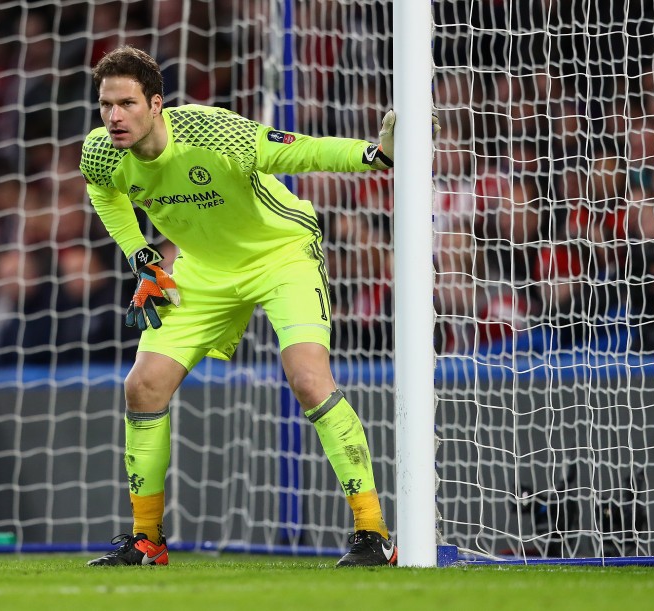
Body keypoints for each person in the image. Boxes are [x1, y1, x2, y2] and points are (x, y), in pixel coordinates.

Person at [80, 46, 438, 567]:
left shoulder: (211, 132)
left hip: (281, 255)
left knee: (308, 378)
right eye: (105, 105)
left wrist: (372, 156)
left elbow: (297, 151)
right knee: (142, 385)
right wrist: (141, 255)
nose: (113, 117)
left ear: (155, 104)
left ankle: (372, 533)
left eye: (126, 104)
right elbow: (103, 192)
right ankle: (146, 540)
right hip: (202, 269)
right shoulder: (101, 152)